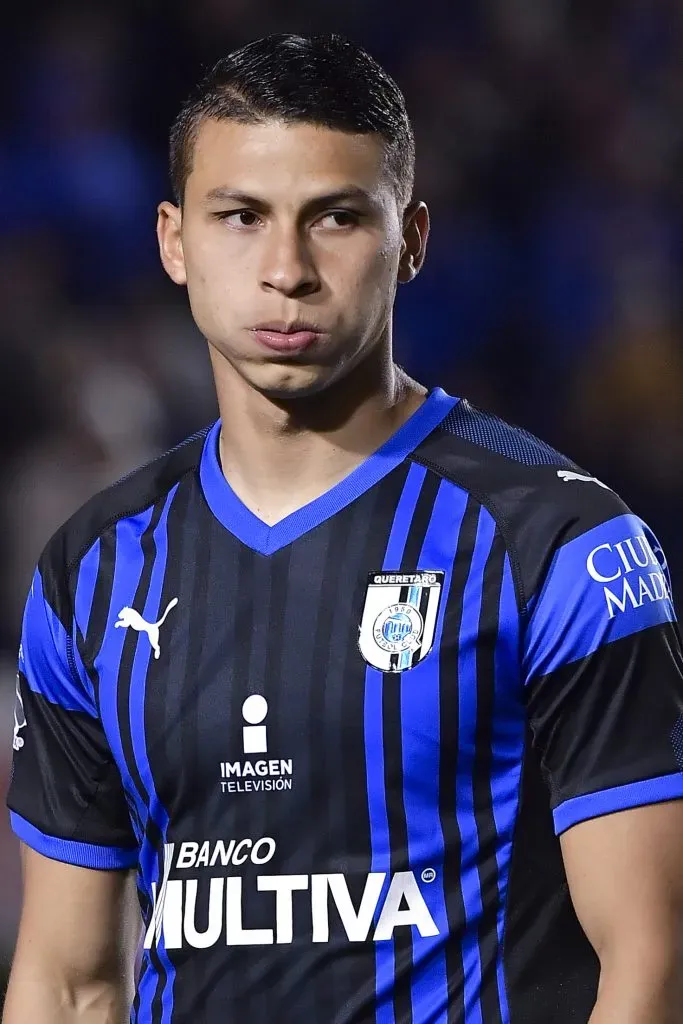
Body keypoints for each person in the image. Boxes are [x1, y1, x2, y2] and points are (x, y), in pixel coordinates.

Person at [4, 32, 683, 1024]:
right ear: (172, 240)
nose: (286, 268)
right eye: (240, 217)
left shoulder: (562, 545)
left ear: (408, 240)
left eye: (334, 219)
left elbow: (651, 961)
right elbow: (68, 983)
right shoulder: (92, 572)